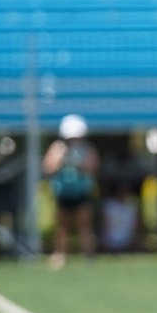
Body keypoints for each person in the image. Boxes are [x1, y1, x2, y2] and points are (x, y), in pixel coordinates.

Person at [43, 114, 99, 269]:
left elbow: (93, 168)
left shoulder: (87, 149)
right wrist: (60, 158)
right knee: (62, 227)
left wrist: (79, 163)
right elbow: (48, 168)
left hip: (82, 193)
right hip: (63, 193)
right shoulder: (57, 148)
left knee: (85, 226)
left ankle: (88, 257)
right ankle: (60, 255)